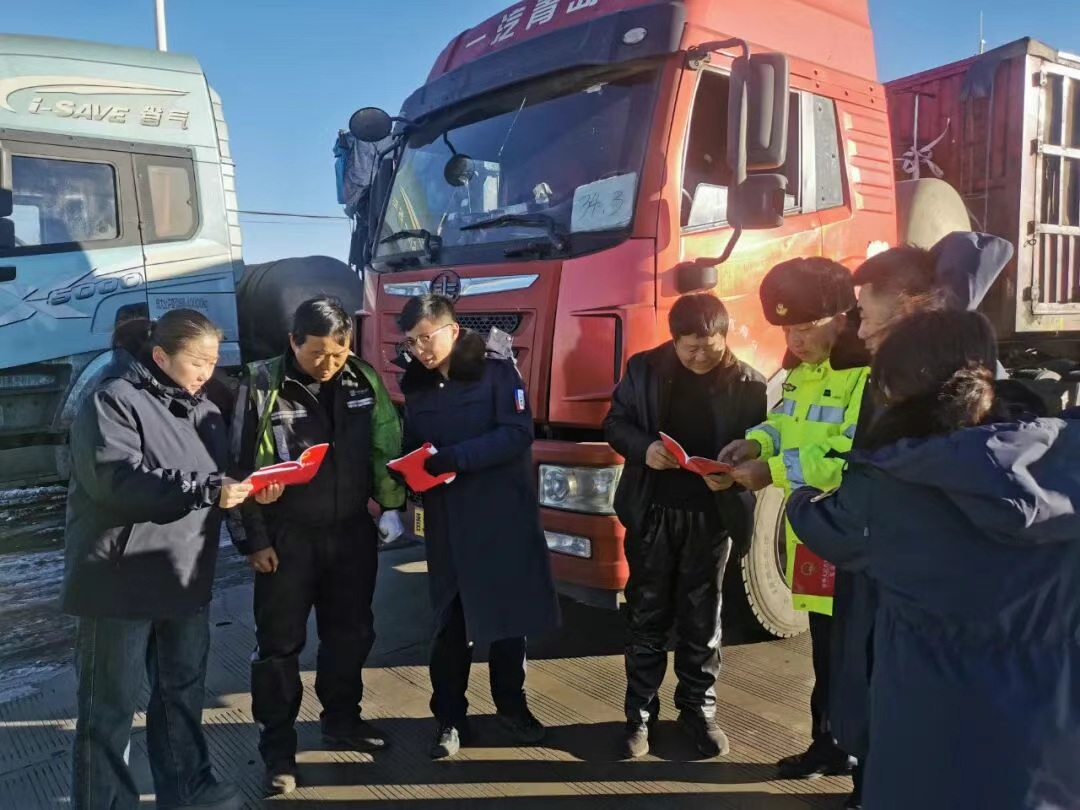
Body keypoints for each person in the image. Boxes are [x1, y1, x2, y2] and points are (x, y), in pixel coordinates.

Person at [786, 310, 1080, 810]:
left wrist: (800, 495)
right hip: (1052, 737)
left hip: (931, 727)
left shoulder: (893, 483)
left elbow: (825, 527)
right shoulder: (1065, 456)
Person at [834, 231, 1048, 808]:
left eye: (865, 312)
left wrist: (820, 509)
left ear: (908, 304)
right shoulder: (912, 369)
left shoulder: (942, 386)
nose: (859, 330)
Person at [64, 310, 251, 810]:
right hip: (119, 581)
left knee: (181, 695)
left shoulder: (205, 410)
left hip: (183, 575)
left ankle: (190, 789)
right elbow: (117, 481)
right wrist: (206, 489)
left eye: (213, 362)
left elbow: (218, 480)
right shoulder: (112, 401)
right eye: (197, 361)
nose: (207, 372)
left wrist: (247, 490)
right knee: (109, 709)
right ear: (161, 355)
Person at [229, 297, 405, 795]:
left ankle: (343, 720)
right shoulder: (262, 385)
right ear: (293, 342)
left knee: (351, 633)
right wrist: (253, 539)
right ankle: (278, 752)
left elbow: (384, 443)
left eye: (339, 352)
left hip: (350, 532)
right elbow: (237, 466)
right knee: (279, 647)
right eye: (317, 354)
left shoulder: (361, 379)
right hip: (286, 537)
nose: (329, 363)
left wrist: (391, 505)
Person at [718, 257, 869, 781]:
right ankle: (827, 745)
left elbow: (850, 455)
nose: (795, 340)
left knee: (857, 657)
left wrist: (773, 471)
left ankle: (864, 768)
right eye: (787, 330)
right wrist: (755, 443)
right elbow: (784, 422)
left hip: (852, 539)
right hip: (814, 536)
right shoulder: (804, 373)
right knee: (825, 651)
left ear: (842, 317)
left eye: (805, 327)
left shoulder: (865, 375)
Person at [602, 293, 766, 759]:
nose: (698, 357)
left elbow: (762, 444)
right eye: (689, 347)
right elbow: (615, 423)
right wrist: (644, 448)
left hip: (711, 517)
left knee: (703, 618)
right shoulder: (644, 369)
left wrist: (734, 475)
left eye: (708, 348)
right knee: (646, 615)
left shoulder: (749, 383)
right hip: (652, 511)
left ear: (725, 337)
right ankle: (640, 715)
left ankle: (698, 710)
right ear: (673, 340)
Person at [397, 294, 560, 760]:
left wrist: (456, 458)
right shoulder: (418, 385)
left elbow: (517, 434)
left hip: (500, 515)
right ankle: (449, 717)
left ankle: (513, 707)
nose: (420, 350)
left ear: (451, 330)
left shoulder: (497, 371)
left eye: (425, 338)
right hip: (448, 521)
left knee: (508, 621)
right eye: (410, 343)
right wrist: (407, 471)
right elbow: (414, 443)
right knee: (449, 624)